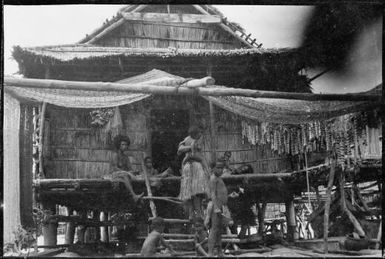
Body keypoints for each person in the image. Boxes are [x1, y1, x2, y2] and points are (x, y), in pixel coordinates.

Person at [178, 126, 210, 220]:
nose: (200, 134)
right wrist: (190, 147)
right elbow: (180, 150)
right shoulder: (189, 140)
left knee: (195, 191)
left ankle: (197, 212)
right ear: (195, 133)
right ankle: (192, 213)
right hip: (192, 165)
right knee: (190, 191)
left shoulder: (196, 140)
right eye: (199, 133)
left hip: (194, 164)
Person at [104, 135, 143, 202]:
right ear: (118, 145)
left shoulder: (126, 157)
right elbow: (115, 167)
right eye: (122, 144)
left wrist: (133, 171)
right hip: (114, 175)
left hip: (123, 174)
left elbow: (130, 168)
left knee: (136, 175)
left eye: (126, 145)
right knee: (125, 175)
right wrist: (125, 172)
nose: (124, 146)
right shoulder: (115, 155)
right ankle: (134, 195)